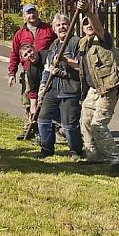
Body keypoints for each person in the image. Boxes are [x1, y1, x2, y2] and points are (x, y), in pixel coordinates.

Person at [76, 0, 119, 169]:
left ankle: (116, 158)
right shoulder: (83, 44)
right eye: (85, 24)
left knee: (98, 124)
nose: (88, 26)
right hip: (92, 90)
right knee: (86, 122)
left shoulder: (104, 39)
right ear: (82, 29)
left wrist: (88, 12)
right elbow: (82, 66)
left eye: (90, 23)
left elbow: (97, 25)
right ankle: (94, 156)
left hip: (107, 89)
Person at [34, 13, 83, 160]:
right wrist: (42, 87)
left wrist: (66, 60)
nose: (62, 27)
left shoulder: (76, 43)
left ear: (70, 26)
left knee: (69, 125)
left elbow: (83, 67)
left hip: (70, 89)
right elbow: (47, 69)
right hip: (52, 89)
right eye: (58, 25)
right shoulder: (54, 45)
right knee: (43, 120)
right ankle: (47, 149)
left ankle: (75, 151)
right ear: (54, 29)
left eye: (64, 24)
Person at [8, 3, 56, 140]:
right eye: (28, 13)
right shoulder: (20, 34)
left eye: (33, 11)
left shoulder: (48, 29)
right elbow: (14, 54)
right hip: (29, 73)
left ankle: (52, 128)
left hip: (47, 70)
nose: (31, 15)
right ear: (24, 16)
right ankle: (29, 127)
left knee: (47, 100)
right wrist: (12, 73)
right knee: (29, 101)